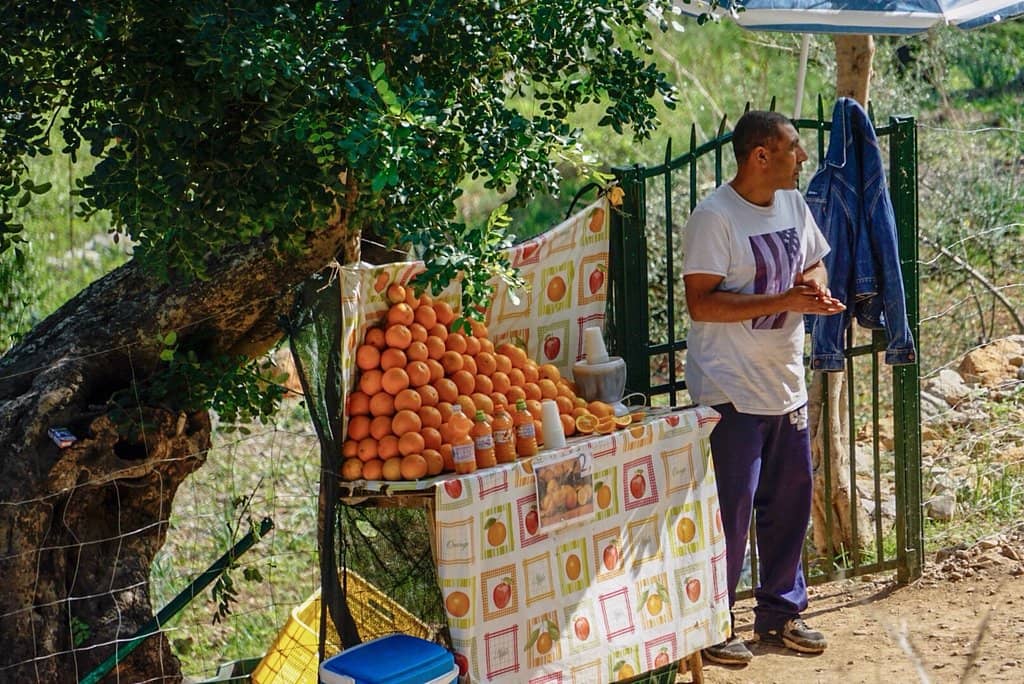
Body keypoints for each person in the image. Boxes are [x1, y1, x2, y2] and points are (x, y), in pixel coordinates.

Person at [681, 110, 846, 665]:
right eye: (793, 147)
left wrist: (813, 289)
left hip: (785, 382)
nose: (803, 157)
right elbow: (701, 303)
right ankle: (714, 624)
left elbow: (815, 261)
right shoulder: (714, 218)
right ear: (760, 155)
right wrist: (783, 300)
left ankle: (782, 613)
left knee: (791, 503)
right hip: (728, 387)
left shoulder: (793, 204)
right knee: (730, 512)